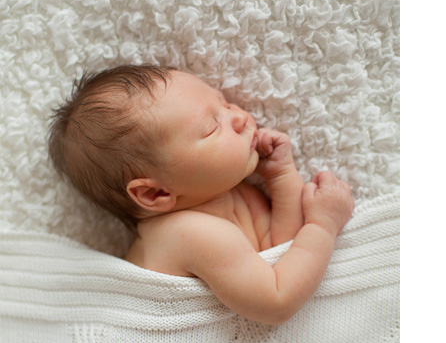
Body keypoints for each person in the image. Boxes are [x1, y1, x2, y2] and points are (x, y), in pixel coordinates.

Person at [49, 65, 354, 326]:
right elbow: (277, 298)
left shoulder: (221, 194)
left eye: (224, 103)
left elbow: (279, 249)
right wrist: (323, 226)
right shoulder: (188, 233)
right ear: (155, 193)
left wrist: (281, 175)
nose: (239, 118)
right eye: (211, 127)